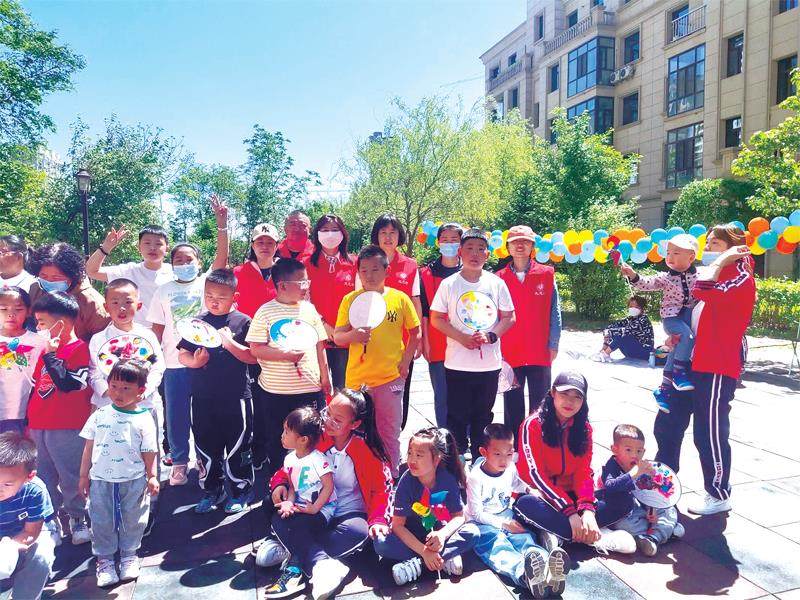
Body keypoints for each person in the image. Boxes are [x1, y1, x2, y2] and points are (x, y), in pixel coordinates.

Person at [654, 224, 756, 516]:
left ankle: (718, 493)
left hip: (716, 364)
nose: (708, 248)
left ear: (734, 248)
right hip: (692, 362)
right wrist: (675, 337)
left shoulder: (739, 276)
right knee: (668, 422)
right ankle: (661, 486)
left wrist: (721, 262)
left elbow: (704, 290)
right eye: (707, 243)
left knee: (708, 432)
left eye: (715, 244)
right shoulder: (713, 272)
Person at [261, 389, 393, 598]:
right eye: (328, 413)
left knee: (359, 532)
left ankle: (294, 555)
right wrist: (280, 484)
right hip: (315, 508)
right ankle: (321, 564)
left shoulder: (367, 449)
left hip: (348, 513)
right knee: (273, 504)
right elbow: (292, 466)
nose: (328, 421)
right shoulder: (318, 438)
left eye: (337, 419)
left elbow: (383, 489)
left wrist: (378, 519)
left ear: (355, 424)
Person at [513, 371, 636, 595]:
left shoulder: (584, 428)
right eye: (564, 394)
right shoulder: (532, 425)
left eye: (577, 397)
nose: (570, 402)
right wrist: (570, 512)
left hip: (572, 498)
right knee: (525, 504)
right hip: (541, 495)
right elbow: (535, 475)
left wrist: (587, 510)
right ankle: (593, 536)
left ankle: (563, 535)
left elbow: (583, 472)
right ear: (552, 393)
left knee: (625, 500)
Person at [147, 229, 228, 486]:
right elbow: (157, 329)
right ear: (171, 265)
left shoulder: (206, 284)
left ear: (199, 262)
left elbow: (222, 259)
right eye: (178, 260)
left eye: (189, 259)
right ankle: (180, 463)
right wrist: (150, 360)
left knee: (206, 414)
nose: (184, 264)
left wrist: (222, 226)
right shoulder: (163, 290)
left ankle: (206, 460)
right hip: (174, 363)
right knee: (176, 415)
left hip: (206, 361)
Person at [334, 245, 420, 477]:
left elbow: (415, 333)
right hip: (357, 382)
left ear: (386, 270)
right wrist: (353, 336)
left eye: (375, 269)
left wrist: (406, 362)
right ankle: (356, 476)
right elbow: (338, 336)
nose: (369, 276)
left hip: (390, 378)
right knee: (354, 431)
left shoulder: (400, 299)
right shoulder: (350, 300)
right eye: (364, 270)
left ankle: (391, 476)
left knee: (388, 431)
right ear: (358, 273)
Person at [429, 228, 515, 461]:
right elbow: (436, 318)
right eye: (469, 248)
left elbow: (509, 317)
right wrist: (461, 338)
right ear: (460, 252)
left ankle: (480, 461)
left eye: (480, 249)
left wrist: (492, 336)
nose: (474, 254)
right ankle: (455, 463)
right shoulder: (449, 284)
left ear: (487, 254)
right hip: (457, 363)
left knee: (483, 417)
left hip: (489, 365)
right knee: (456, 416)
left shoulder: (496, 283)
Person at [177, 268, 257, 513]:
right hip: (202, 397)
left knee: (238, 445)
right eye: (209, 295)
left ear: (235, 296)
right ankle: (212, 490)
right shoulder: (197, 323)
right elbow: (183, 354)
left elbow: (253, 357)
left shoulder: (243, 321)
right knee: (205, 445)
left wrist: (229, 343)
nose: (214, 301)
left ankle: (241, 490)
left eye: (221, 296)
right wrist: (195, 362)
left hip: (236, 397)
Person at [78, 360, 159, 587]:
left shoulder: (144, 417)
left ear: (140, 391)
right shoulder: (100, 414)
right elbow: (88, 448)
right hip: (101, 480)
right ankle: (104, 560)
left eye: (126, 388)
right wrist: (83, 476)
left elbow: (149, 450)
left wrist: (152, 475)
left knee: (133, 518)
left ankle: (129, 555)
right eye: (114, 386)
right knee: (101, 519)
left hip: (133, 480)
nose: (118, 393)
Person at [246, 258, 329, 478]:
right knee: (278, 440)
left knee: (311, 437)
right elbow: (255, 349)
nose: (306, 287)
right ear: (282, 285)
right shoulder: (265, 312)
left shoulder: (309, 309)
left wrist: (325, 376)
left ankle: (311, 482)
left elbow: (320, 345)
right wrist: (285, 356)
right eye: (301, 282)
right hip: (275, 392)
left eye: (307, 281)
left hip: (309, 389)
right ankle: (279, 484)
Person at [373, 427, 478, 586]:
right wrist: (424, 551)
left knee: (473, 532)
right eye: (410, 453)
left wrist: (442, 534)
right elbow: (398, 525)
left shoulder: (447, 479)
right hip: (412, 535)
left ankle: (418, 565)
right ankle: (442, 558)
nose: (412, 460)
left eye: (419, 455)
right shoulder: (406, 481)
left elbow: (459, 516)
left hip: (437, 536)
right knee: (381, 543)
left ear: (436, 459)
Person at [28, 292, 92, 546]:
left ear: (61, 324)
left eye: (42, 322)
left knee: (71, 475)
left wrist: (52, 355)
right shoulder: (43, 351)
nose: (38, 328)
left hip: (68, 425)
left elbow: (69, 384)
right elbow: (36, 386)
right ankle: (50, 520)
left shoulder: (80, 349)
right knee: (43, 476)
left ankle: (78, 518)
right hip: (38, 424)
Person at [466, 424, 552, 598]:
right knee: (498, 546)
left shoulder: (510, 467)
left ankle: (548, 569)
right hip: (481, 522)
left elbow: (515, 483)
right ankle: (524, 574)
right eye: (497, 454)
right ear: (483, 452)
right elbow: (476, 513)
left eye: (509, 454)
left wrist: (528, 489)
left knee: (524, 537)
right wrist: (504, 524)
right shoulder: (475, 478)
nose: (504, 460)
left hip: (506, 513)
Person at [495, 225, 561, 442]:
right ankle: (514, 446)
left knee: (541, 402)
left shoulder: (546, 274)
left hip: (539, 349)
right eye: (515, 242)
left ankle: (538, 442)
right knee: (512, 402)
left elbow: (555, 312)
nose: (520, 245)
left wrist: (554, 343)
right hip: (509, 351)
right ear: (508, 247)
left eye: (525, 241)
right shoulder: (498, 278)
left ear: (533, 246)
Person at [269, 406, 343, 600]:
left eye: (287, 432)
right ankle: (310, 561)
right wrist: (288, 503)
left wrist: (315, 508)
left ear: (303, 439)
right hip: (302, 504)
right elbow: (293, 487)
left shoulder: (318, 460)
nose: (282, 435)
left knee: (300, 526)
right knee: (275, 512)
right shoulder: (289, 459)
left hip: (323, 508)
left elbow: (328, 486)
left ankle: (304, 566)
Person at [619, 233, 698, 412]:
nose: (669, 257)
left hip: (688, 318)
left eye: (676, 253)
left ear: (691, 257)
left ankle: (664, 389)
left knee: (677, 349)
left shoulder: (699, 276)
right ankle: (679, 372)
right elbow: (648, 283)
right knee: (687, 337)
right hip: (672, 319)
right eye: (668, 253)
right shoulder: (666, 277)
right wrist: (633, 275)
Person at [366, 214, 422, 430]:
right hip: (373, 340)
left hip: (403, 342)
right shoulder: (366, 262)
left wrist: (418, 338)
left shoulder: (410, 265)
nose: (388, 237)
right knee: (372, 392)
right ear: (376, 235)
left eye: (392, 232)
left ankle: (397, 432)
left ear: (400, 236)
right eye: (383, 232)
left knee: (400, 390)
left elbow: (415, 300)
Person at [599, 424, 684, 556]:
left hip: (639, 507)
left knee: (669, 508)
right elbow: (611, 486)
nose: (634, 455)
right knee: (625, 525)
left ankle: (652, 537)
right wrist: (633, 474)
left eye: (639, 451)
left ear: (643, 451)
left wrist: (651, 508)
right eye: (628, 450)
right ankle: (661, 532)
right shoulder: (611, 466)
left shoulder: (642, 467)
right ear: (615, 449)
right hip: (622, 511)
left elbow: (648, 493)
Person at [0, 431, 58, 600]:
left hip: (26, 533)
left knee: (41, 556)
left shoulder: (35, 491)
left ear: (29, 476)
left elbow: (31, 532)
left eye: (7, 484)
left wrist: (9, 547)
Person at [304, 214, 357, 390]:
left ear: (343, 234)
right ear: (317, 234)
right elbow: (303, 300)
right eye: (325, 230)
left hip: (346, 338)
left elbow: (360, 300)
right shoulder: (306, 264)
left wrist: (344, 331)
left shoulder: (355, 263)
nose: (330, 234)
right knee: (319, 389)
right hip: (316, 338)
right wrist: (323, 325)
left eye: (335, 230)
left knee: (344, 392)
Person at [85, 224, 173, 328]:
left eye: (158, 244)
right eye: (147, 243)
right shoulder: (128, 271)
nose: (152, 248)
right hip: (134, 334)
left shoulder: (175, 273)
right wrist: (105, 248)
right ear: (138, 247)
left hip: (169, 334)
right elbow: (91, 271)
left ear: (167, 248)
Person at [419, 223, 463, 427]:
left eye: (454, 240)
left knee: (464, 394)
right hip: (437, 343)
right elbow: (424, 312)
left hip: (465, 342)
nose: (449, 244)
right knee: (442, 395)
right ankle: (445, 435)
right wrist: (425, 342)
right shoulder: (426, 274)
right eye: (445, 240)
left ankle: (464, 437)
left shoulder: (470, 271)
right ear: (438, 242)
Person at [27, 242, 110, 341]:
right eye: (44, 276)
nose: (49, 281)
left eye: (56, 277)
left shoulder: (91, 302)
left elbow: (104, 340)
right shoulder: (35, 290)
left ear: (72, 276)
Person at [0, 287, 47, 434]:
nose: (10, 314)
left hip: (23, 413)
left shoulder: (39, 341)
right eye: (3, 309)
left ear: (28, 311)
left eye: (18, 309)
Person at [233, 223, 279, 319]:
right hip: (245, 326)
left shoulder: (286, 273)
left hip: (277, 326)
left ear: (276, 246)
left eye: (270, 243)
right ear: (253, 246)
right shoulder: (238, 272)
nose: (265, 247)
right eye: (260, 242)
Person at [592, 295, 654, 362]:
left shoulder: (643, 319)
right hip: (631, 351)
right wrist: (607, 330)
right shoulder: (630, 318)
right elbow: (616, 325)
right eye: (631, 306)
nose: (633, 309)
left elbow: (627, 330)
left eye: (636, 307)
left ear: (642, 308)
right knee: (613, 331)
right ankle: (603, 351)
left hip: (644, 351)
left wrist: (609, 331)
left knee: (622, 334)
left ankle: (605, 354)